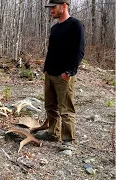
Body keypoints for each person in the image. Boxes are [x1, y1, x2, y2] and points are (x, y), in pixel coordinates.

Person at [36, 0, 85, 155]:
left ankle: (68, 141)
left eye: (53, 7)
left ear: (64, 6)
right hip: (50, 73)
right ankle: (52, 133)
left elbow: (79, 51)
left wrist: (69, 72)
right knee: (50, 106)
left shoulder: (75, 25)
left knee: (66, 109)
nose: (51, 10)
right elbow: (51, 51)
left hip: (64, 75)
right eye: (50, 8)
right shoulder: (55, 28)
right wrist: (46, 69)